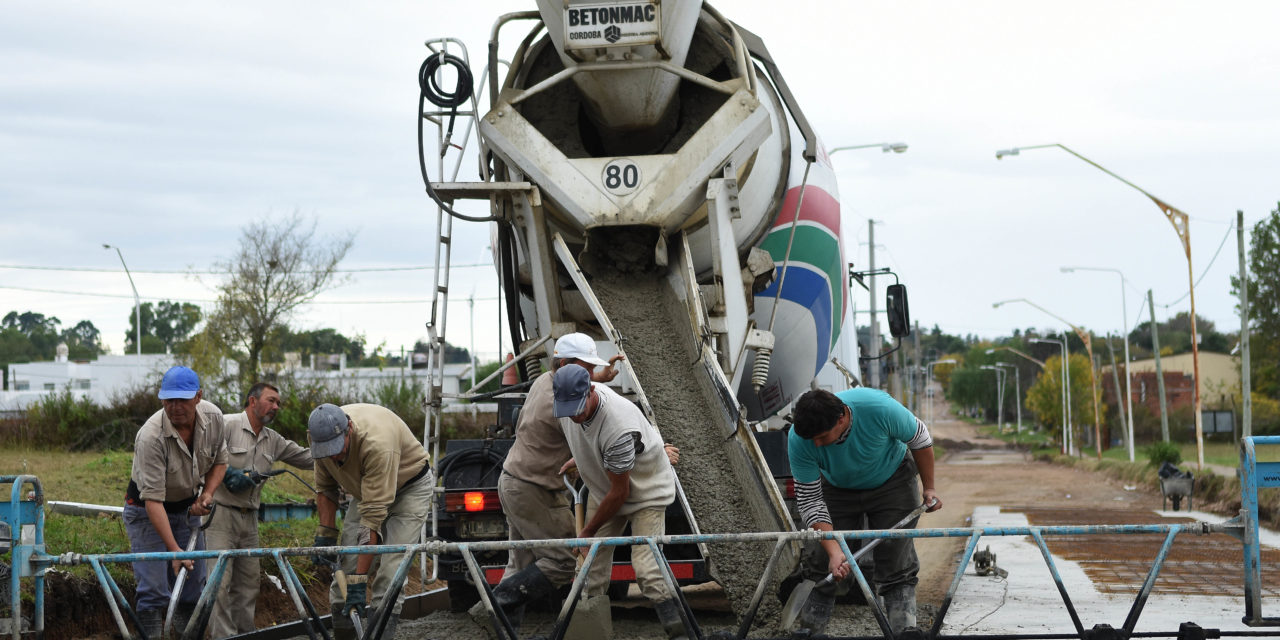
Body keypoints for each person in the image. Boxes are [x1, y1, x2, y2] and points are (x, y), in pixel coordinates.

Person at [476, 333, 624, 629]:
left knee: (518, 563)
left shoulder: (546, 380)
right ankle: (495, 605)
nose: (592, 375)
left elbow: (578, 388)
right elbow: (587, 441)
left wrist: (600, 379)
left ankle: (500, 628)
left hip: (514, 481)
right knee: (562, 560)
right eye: (587, 368)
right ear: (567, 364)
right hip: (536, 490)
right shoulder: (561, 405)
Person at [786, 387, 943, 635]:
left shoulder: (878, 408)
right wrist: (835, 551)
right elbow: (811, 501)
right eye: (811, 439)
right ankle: (811, 631)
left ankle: (904, 631)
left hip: (892, 481)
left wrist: (930, 488)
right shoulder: (799, 439)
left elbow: (920, 438)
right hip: (837, 488)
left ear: (842, 418)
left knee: (896, 558)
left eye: (822, 437)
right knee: (821, 561)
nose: (816, 444)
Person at [552, 365, 686, 639]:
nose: (574, 415)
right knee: (589, 570)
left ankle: (681, 631)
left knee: (648, 570)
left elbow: (620, 493)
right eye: (568, 410)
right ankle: (587, 633)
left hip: (646, 491)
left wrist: (588, 532)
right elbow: (592, 440)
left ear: (591, 391)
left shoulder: (618, 425)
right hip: (606, 487)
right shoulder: (568, 405)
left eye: (579, 408)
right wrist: (582, 457)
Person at [308, 403, 434, 640]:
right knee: (344, 571)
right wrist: (326, 532)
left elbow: (370, 523)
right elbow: (325, 488)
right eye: (327, 451)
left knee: (391, 572)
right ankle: (345, 634)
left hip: (409, 487)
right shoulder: (320, 440)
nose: (334, 455)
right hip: (366, 489)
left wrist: (359, 581)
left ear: (350, 430)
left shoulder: (378, 445)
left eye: (337, 448)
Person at [123, 366, 227, 638]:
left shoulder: (214, 418)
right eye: (169, 400)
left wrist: (207, 494)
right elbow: (153, 502)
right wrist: (174, 551)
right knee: (154, 590)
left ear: (198, 397)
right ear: (161, 400)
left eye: (182, 399)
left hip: (187, 509)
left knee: (193, 588)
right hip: (147, 511)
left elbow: (220, 461)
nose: (175, 407)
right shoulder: (151, 437)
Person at [206, 382, 313, 638]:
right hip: (220, 514)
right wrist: (226, 474)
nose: (276, 407)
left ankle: (246, 634)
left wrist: (338, 450)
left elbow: (307, 458)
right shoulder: (227, 424)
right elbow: (201, 455)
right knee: (219, 583)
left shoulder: (272, 440)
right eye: (271, 400)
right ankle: (223, 636)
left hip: (250, 519)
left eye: (278, 403)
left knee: (249, 584)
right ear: (252, 401)